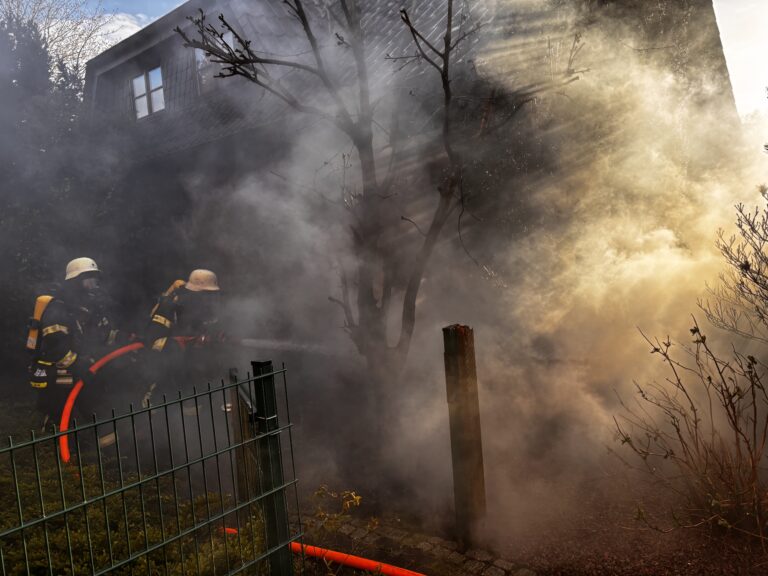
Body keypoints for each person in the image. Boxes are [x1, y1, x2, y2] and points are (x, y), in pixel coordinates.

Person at [28, 257, 121, 428]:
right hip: (59, 375)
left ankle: (105, 449)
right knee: (64, 418)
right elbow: (56, 348)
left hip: (81, 371)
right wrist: (80, 365)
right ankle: (57, 443)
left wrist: (123, 338)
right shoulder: (59, 309)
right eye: (89, 278)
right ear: (75, 281)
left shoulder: (88, 307)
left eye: (95, 278)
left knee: (97, 411)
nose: (94, 283)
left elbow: (102, 335)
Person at [145, 269, 222, 352]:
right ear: (194, 292)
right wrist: (182, 342)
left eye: (212, 295)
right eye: (207, 294)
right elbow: (152, 341)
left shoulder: (205, 311)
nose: (210, 300)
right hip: (169, 359)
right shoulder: (170, 307)